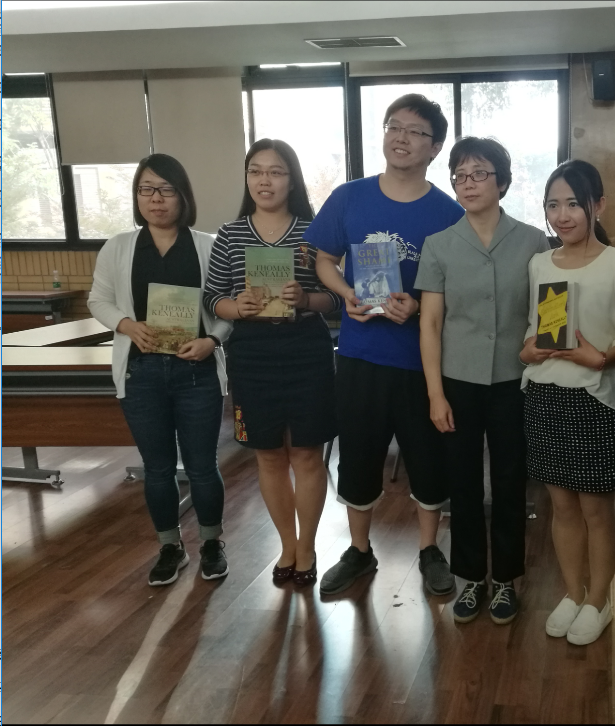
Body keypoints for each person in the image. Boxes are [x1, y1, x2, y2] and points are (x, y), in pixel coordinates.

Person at [307, 94, 465, 597]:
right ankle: (359, 551)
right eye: (394, 126)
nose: (401, 137)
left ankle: (429, 548)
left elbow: (457, 288)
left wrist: (418, 306)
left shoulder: (449, 213)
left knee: (428, 458)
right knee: (358, 456)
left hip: (423, 364)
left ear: (434, 148)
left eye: (415, 131)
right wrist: (346, 293)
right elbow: (324, 259)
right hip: (360, 356)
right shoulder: (349, 197)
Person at [416, 136, 549, 624]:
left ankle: (507, 579)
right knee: (464, 482)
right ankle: (471, 578)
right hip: (458, 381)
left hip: (517, 379)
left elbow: (547, 314)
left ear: (503, 182)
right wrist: (435, 394)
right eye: (459, 175)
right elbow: (430, 323)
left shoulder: (533, 241)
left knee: (511, 481)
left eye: (479, 174)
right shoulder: (439, 244)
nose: (468, 183)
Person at [89, 153, 232, 586]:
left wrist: (212, 340)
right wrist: (126, 324)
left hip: (197, 373)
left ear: (183, 196)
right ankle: (170, 546)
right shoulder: (119, 247)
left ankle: (212, 543)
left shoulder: (209, 245)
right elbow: (98, 300)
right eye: (146, 189)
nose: (156, 198)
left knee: (202, 466)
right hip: (142, 374)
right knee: (157, 467)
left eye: (167, 189)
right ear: (137, 197)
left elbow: (227, 308)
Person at [204, 139, 341, 587]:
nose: (265, 180)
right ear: (247, 178)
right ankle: (287, 544)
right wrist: (236, 307)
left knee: (306, 453)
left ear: (291, 180)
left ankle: (308, 547)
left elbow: (337, 298)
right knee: (268, 454)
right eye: (256, 171)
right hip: (252, 354)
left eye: (276, 172)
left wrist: (306, 299)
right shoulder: (229, 235)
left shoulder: (314, 232)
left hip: (306, 352)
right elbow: (212, 297)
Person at [521, 160, 615, 646]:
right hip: (543, 394)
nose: (562, 215)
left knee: (596, 511)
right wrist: (529, 351)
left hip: (595, 399)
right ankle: (572, 593)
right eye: (553, 205)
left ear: (598, 205)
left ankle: (599, 601)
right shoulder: (540, 264)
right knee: (561, 507)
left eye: (573, 204)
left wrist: (601, 357)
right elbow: (531, 333)